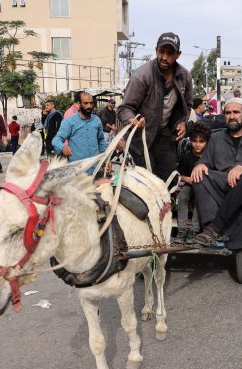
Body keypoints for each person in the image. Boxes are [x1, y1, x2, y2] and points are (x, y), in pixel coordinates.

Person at [191, 97, 242, 249]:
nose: (232, 116)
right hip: (223, 184)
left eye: (236, 112)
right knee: (198, 175)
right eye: (228, 113)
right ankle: (210, 227)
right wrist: (200, 165)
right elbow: (205, 160)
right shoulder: (216, 138)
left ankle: (215, 227)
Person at [117, 32, 193, 182]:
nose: (164, 57)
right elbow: (124, 108)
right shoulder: (142, 76)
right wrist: (133, 120)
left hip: (165, 137)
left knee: (169, 181)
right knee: (146, 183)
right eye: (161, 51)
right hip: (142, 138)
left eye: (170, 53)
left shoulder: (185, 76)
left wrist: (183, 122)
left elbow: (188, 105)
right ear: (156, 50)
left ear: (178, 54)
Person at [174, 121, 211, 244]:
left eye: (201, 141)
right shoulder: (187, 156)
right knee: (182, 196)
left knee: (201, 199)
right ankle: (182, 230)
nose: (197, 144)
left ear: (206, 142)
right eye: (195, 141)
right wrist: (188, 179)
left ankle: (194, 230)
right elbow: (179, 174)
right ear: (190, 141)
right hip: (190, 185)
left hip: (205, 188)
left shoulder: (209, 157)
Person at [52, 92, 108, 164]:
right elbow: (56, 140)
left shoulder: (96, 120)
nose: (89, 106)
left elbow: (101, 141)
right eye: (86, 103)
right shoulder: (70, 122)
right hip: (78, 169)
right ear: (79, 103)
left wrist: (105, 159)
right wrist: (63, 147)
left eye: (91, 103)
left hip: (95, 167)